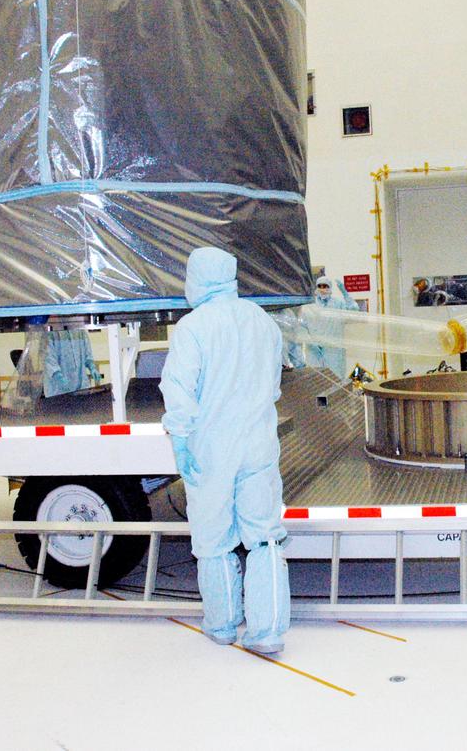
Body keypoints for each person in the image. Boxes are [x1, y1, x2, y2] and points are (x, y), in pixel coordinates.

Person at [160, 248, 289, 654]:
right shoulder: (263, 321)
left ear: (197, 277)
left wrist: (180, 440)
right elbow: (272, 387)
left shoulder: (193, 327)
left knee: (213, 539)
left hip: (212, 447)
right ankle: (268, 631)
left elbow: (179, 390)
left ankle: (222, 623)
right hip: (259, 442)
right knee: (264, 536)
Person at [306, 275, 357, 378]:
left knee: (335, 376)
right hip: (314, 349)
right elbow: (302, 325)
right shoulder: (310, 305)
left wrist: (345, 293)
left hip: (333, 348)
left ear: (330, 288)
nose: (322, 289)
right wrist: (309, 341)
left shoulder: (338, 303)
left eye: (325, 286)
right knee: (316, 379)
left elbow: (354, 310)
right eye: (319, 286)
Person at [43, 329, 102, 397]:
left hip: (81, 388)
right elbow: (48, 357)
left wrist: (92, 367)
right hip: (57, 391)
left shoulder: (79, 330)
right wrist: (58, 376)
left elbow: (87, 352)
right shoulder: (51, 330)